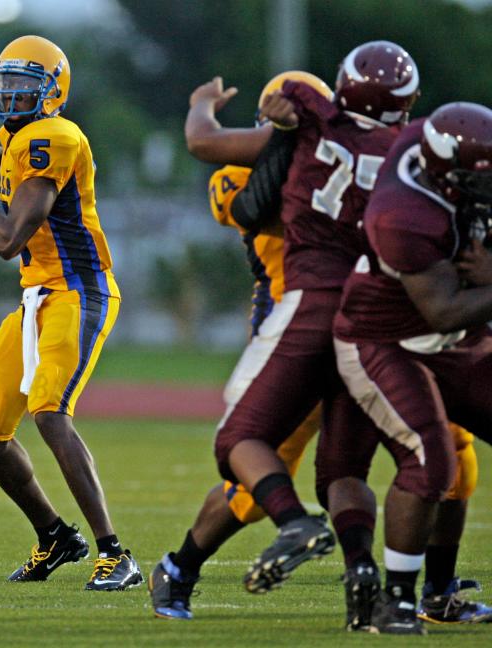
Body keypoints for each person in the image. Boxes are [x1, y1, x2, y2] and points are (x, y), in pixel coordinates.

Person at [0, 35, 141, 591]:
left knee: (48, 412)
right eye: (7, 82)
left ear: (53, 91)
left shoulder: (56, 136)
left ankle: (117, 554)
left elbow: (8, 237)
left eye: (26, 84)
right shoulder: (21, 140)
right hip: (37, 297)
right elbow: (17, 178)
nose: (12, 93)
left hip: (78, 292)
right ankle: (56, 536)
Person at [202, 41, 419, 606]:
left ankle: (187, 563)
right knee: (401, 464)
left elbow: (255, 202)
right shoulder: (394, 153)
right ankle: (387, 590)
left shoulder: (296, 155)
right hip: (374, 320)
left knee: (243, 445)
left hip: (298, 317)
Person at [149, 71, 332, 621]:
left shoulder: (348, 153)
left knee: (433, 451)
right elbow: (264, 204)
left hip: (362, 325)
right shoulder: (248, 173)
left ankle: (410, 587)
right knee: (252, 482)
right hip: (291, 330)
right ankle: (180, 566)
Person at [332, 102, 492, 634]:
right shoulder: (402, 214)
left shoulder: (436, 143)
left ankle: (440, 593)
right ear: (446, 174)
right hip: (385, 338)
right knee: (431, 459)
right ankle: (395, 602)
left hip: (452, 337)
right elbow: (443, 307)